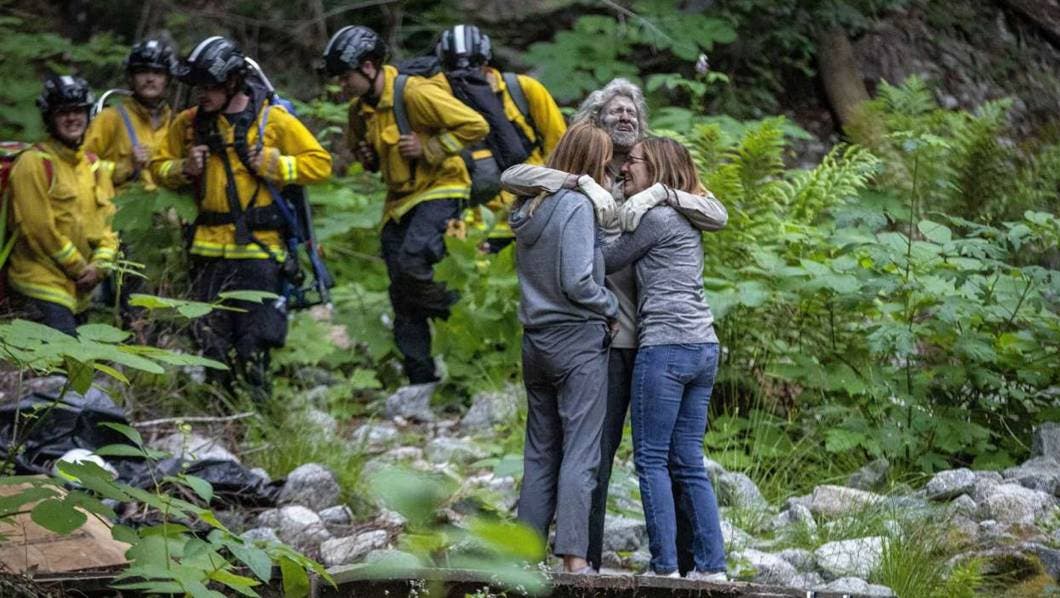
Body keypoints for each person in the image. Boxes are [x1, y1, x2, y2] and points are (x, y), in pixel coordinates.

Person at [501, 77, 727, 573]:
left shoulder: (653, 172)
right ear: (595, 123)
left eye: (631, 111)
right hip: (602, 334)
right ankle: (589, 559)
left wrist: (661, 194)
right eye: (614, 111)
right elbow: (516, 175)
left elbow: (714, 210)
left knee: (666, 455)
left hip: (651, 336)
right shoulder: (585, 178)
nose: (624, 117)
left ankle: (690, 562)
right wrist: (578, 181)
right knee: (596, 454)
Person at [150, 36, 332, 400]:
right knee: (210, 340)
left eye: (210, 86)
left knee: (254, 341)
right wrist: (182, 168)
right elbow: (157, 166)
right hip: (206, 250)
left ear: (233, 81)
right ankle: (220, 414)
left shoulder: (272, 119)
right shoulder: (188, 124)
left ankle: (258, 413)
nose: (202, 94)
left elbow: (321, 163)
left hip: (259, 251)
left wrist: (278, 165)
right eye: (198, 87)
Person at [320, 25, 488, 389]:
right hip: (398, 201)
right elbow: (367, 160)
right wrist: (366, 159)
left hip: (442, 186)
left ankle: (460, 315)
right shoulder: (358, 112)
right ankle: (420, 380)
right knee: (400, 288)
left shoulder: (414, 92)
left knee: (414, 262)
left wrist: (430, 146)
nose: (341, 86)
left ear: (368, 67)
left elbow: (475, 125)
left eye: (346, 77)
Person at [602, 137, 726, 580]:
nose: (624, 169)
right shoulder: (686, 213)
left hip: (666, 346)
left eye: (632, 162)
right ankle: (712, 568)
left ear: (655, 167)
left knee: (651, 459)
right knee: (688, 458)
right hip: (703, 345)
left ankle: (665, 567)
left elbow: (607, 260)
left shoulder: (655, 217)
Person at [510, 121, 618, 574]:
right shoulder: (576, 206)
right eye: (608, 163)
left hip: (535, 342)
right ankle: (574, 558)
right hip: (576, 341)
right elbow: (577, 281)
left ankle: (524, 555)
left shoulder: (529, 206)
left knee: (539, 451)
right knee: (581, 450)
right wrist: (609, 304)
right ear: (596, 164)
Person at [434, 24, 566, 252]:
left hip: (530, 215)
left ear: (486, 61)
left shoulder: (523, 90)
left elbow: (561, 147)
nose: (464, 76)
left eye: (475, 66)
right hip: (470, 227)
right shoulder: (435, 100)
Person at [5, 75, 118, 336]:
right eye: (63, 112)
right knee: (58, 370)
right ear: (50, 118)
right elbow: (38, 229)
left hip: (81, 289)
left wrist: (100, 266)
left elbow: (110, 224)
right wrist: (80, 268)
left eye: (78, 111)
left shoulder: (93, 166)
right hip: (40, 283)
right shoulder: (33, 163)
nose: (72, 119)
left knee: (79, 369)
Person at [84, 39, 177, 189]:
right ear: (130, 78)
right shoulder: (110, 118)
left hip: (165, 210)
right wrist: (125, 167)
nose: (150, 79)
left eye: (158, 73)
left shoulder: (176, 123)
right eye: (142, 72)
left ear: (168, 79)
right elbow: (80, 165)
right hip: (120, 208)